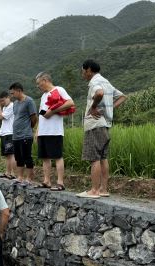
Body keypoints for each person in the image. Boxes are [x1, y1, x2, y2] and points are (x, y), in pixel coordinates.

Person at [77, 59, 127, 199]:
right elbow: (123, 97)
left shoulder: (94, 82)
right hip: (105, 125)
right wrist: (108, 109)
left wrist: (93, 107)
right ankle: (103, 189)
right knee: (103, 158)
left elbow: (99, 94)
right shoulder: (106, 82)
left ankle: (94, 190)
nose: (83, 74)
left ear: (88, 70)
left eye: (83, 71)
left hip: (94, 124)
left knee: (94, 158)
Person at [35, 72, 75, 191]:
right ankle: (46, 181)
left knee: (57, 156)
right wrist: (37, 131)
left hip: (54, 131)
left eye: (39, 83)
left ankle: (60, 182)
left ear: (45, 80)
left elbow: (70, 103)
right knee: (45, 157)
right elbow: (41, 114)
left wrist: (52, 112)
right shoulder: (44, 96)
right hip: (43, 131)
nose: (38, 86)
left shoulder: (59, 89)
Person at [9, 82, 38, 186]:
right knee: (18, 157)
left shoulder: (29, 101)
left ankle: (29, 178)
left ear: (19, 91)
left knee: (27, 156)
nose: (12, 96)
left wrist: (29, 128)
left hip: (25, 134)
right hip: (16, 135)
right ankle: (20, 177)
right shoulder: (15, 103)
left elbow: (34, 118)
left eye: (13, 93)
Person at [0, 91, 15, 179]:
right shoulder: (5, 108)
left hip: (10, 133)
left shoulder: (12, 106)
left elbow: (1, 117)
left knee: (11, 154)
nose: (2, 103)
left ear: (8, 98)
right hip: (4, 133)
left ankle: (13, 173)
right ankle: (7, 172)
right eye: (0, 101)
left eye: (3, 100)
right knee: (7, 155)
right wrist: (1, 107)